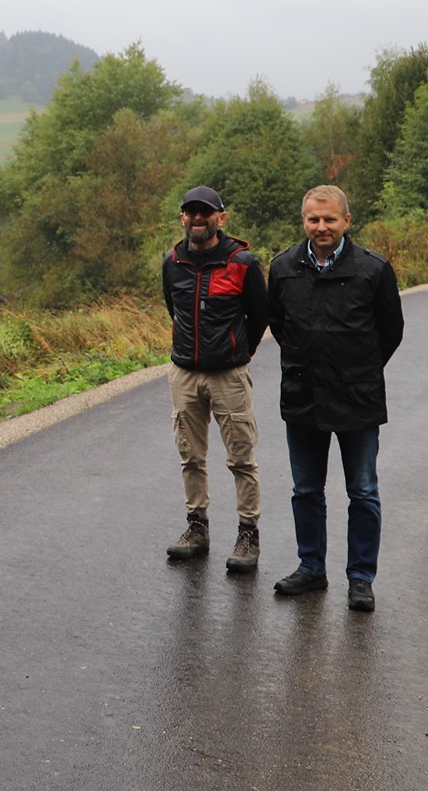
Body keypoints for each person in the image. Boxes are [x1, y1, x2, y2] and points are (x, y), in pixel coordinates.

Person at [264, 184, 404, 613]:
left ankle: (361, 578)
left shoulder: (373, 269)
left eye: (329, 219)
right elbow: (279, 325)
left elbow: (390, 331)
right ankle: (311, 568)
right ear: (304, 221)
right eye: (313, 219)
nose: (321, 227)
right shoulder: (283, 267)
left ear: (346, 220)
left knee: (362, 492)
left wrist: (356, 370)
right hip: (302, 396)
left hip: (357, 400)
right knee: (306, 490)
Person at [159, 185, 268, 572]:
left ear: (221, 218)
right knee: (190, 456)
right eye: (191, 212)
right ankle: (197, 528)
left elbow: (259, 316)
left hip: (228, 375)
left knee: (241, 458)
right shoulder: (172, 261)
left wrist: (237, 354)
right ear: (182, 217)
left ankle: (248, 534)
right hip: (184, 373)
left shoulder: (242, 263)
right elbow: (173, 309)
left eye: (205, 212)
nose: (197, 218)